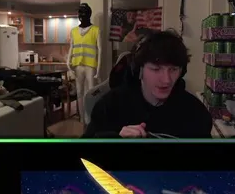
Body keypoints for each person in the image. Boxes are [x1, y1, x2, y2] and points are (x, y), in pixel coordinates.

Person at [84, 30, 212, 139]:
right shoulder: (109, 106)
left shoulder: (196, 114)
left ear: (182, 71)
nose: (166, 80)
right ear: (139, 70)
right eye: (156, 69)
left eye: (173, 69)